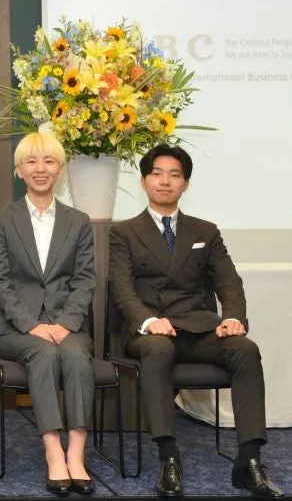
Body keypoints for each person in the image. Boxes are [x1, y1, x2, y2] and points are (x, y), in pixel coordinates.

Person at [109, 144, 284, 499]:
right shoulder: (124, 232)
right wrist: (148, 320)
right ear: (144, 181)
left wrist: (233, 317)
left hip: (199, 328)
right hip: (151, 331)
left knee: (245, 349)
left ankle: (250, 460)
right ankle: (169, 458)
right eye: (157, 174)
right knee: (157, 349)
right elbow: (121, 288)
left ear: (185, 184)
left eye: (174, 175)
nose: (165, 181)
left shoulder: (206, 230)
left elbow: (229, 282)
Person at [0, 132, 96, 496]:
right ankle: (53, 452)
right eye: (31, 161)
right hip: (18, 328)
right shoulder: (2, 219)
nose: (40, 168)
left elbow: (85, 280)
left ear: (60, 169)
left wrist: (65, 324)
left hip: (69, 325)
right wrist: (31, 325)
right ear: (19, 170)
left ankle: (76, 453)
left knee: (76, 355)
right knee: (44, 354)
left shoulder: (79, 221)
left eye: (49, 161)